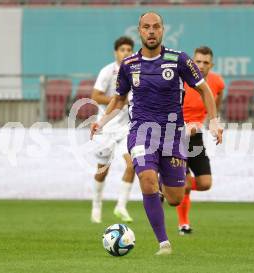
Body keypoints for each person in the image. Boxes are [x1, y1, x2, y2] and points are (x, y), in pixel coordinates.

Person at [91, 12, 222, 255]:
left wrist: (214, 120)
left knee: (174, 198)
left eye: (156, 27)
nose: (151, 31)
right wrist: (102, 121)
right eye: (146, 27)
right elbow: (119, 99)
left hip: (172, 135)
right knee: (147, 181)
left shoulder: (178, 59)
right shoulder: (129, 65)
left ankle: (164, 179)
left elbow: (204, 90)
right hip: (141, 132)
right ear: (139, 31)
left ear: (162, 31)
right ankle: (164, 243)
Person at [176, 46, 225, 235]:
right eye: (198, 61)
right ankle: (183, 224)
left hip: (196, 137)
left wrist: (212, 122)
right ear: (192, 62)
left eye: (206, 62)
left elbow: (214, 104)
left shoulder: (217, 83)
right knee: (184, 183)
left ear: (211, 65)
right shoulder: (180, 79)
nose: (201, 66)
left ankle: (166, 186)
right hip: (176, 136)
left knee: (204, 183)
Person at [90, 36, 136, 224]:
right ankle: (97, 204)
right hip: (107, 127)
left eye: (129, 49)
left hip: (126, 127)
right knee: (102, 170)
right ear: (116, 52)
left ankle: (121, 206)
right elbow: (95, 96)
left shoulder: (136, 72)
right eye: (122, 49)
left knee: (132, 164)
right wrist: (118, 100)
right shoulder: (108, 71)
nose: (126, 52)